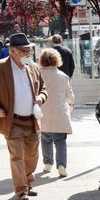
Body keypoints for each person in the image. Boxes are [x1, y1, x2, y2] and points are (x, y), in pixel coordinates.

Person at [0, 33, 48, 200]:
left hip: (31, 119)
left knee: (32, 155)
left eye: (30, 50)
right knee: (17, 156)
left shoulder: (32, 67)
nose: (28, 53)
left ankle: (28, 182)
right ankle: (21, 190)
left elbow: (44, 88)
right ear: (13, 51)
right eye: (25, 50)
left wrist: (41, 98)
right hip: (12, 121)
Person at [38, 48, 74, 177]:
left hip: (43, 112)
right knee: (60, 141)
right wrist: (70, 104)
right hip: (60, 112)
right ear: (57, 60)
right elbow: (69, 95)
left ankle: (48, 164)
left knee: (45, 139)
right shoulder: (63, 76)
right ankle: (61, 166)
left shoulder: (38, 75)